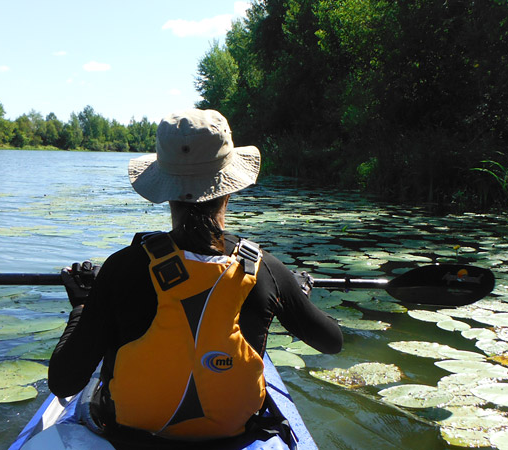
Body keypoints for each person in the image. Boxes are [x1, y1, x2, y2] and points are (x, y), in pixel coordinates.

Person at [48, 109, 343, 444]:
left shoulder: (122, 268)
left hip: (132, 436)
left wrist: (84, 305)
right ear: (229, 187)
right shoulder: (267, 270)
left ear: (166, 189)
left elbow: (64, 383)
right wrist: (293, 294)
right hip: (232, 436)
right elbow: (332, 341)